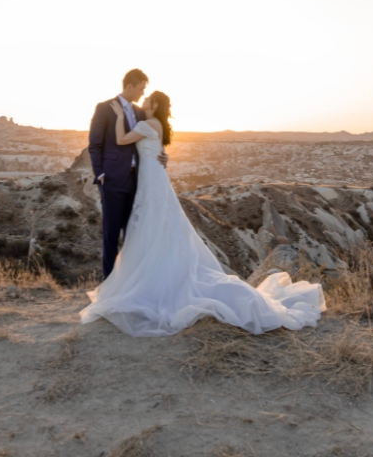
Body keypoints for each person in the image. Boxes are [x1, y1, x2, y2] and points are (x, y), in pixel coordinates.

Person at [80, 88, 326, 337]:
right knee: (157, 224)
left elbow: (122, 140)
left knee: (151, 223)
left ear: (153, 105)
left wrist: (120, 117)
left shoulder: (148, 122)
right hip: (152, 177)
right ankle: (155, 274)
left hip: (150, 179)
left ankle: (150, 280)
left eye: (147, 99)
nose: (143, 100)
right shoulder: (154, 123)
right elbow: (145, 149)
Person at [86, 69, 167, 279]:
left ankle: (130, 284)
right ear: (129, 86)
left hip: (139, 181)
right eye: (140, 89)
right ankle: (109, 286)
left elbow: (152, 139)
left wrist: (163, 156)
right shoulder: (104, 108)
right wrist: (101, 174)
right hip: (113, 179)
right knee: (111, 235)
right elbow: (95, 145)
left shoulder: (142, 113)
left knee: (134, 235)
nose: (142, 93)